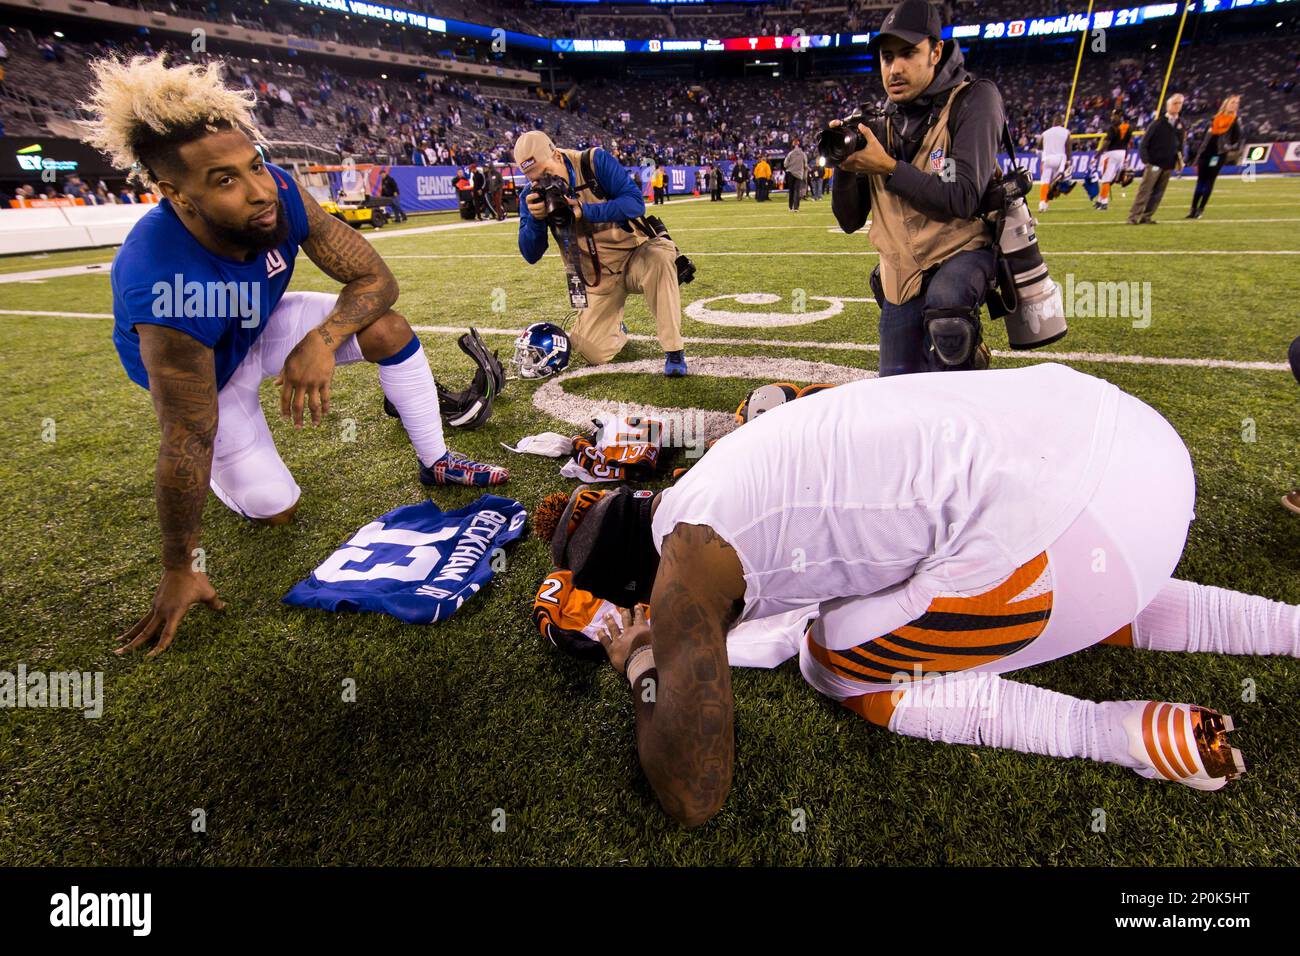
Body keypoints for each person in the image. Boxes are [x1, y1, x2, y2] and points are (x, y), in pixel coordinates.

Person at [543, 364, 1296, 826]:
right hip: (1131, 441)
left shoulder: (687, 561)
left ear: (644, 585)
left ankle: (1107, 732)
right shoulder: (725, 460)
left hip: (1078, 540)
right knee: (975, 542)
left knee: (830, 663)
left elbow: (694, 794)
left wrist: (644, 663)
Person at [83, 55, 508, 656]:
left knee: (387, 328)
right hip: (210, 371)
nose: (259, 190)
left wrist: (322, 340)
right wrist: (180, 563)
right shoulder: (162, 280)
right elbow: (186, 435)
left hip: (259, 324)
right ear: (175, 194)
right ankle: (232, 482)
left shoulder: (279, 192)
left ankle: (436, 459)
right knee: (274, 508)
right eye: (224, 181)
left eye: (254, 165)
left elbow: (376, 280)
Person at [831, 0, 1007, 376]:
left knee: (947, 314)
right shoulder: (878, 121)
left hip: (962, 250)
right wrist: (844, 167)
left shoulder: (974, 98)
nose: (895, 68)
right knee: (897, 385)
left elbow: (962, 197)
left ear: (936, 51)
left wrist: (888, 166)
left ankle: (965, 357)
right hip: (902, 268)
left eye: (908, 53)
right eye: (887, 57)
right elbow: (848, 221)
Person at [515, 131, 688, 376]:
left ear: (557, 155)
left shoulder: (593, 162)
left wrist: (585, 211)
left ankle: (674, 350)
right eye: (533, 179)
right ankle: (616, 328)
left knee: (660, 259)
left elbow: (635, 203)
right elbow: (530, 254)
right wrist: (535, 219)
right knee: (591, 351)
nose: (542, 183)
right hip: (595, 276)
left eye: (545, 173)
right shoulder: (531, 197)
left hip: (634, 255)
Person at [1128, 93, 1186, 225]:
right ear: (1168, 106)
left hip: (1169, 163)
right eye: (1175, 103)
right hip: (1154, 163)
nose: (1177, 106)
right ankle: (1133, 217)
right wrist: (1146, 161)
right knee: (1145, 190)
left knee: (1158, 193)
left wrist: (1180, 159)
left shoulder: (1180, 124)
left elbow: (1180, 144)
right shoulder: (1158, 123)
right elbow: (1144, 143)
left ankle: (1147, 216)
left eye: (1180, 103)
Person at [1187, 95, 1243, 220]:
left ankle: (1200, 209)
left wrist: (1227, 147)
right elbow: (1206, 138)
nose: (1235, 105)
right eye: (1232, 102)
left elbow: (1237, 139)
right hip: (1206, 153)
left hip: (1218, 154)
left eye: (1237, 103)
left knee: (1209, 181)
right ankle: (1193, 209)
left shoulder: (1235, 120)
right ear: (1226, 104)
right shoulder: (1215, 118)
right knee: (1200, 181)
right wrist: (1199, 154)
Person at [1093, 110, 1133, 211]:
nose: (1112, 117)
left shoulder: (1113, 128)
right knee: (1109, 178)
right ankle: (1100, 200)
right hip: (1122, 153)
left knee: (1106, 178)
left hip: (1111, 153)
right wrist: (1126, 157)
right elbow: (1128, 144)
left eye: (1114, 115)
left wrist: (1096, 156)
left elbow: (1106, 144)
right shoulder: (1129, 128)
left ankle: (1104, 202)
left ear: (1119, 116)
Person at [1036, 114, 1070, 213]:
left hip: (1047, 159)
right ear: (1061, 122)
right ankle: (1046, 202)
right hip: (1060, 159)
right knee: (1055, 184)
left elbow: (1038, 148)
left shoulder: (1045, 133)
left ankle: (1042, 203)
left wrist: (1042, 157)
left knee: (1045, 182)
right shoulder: (1066, 132)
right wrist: (1068, 161)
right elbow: (1068, 147)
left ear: (1053, 122)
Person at [784, 140, 807, 212]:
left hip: (791, 173)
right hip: (799, 174)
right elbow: (805, 165)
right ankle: (796, 208)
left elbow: (785, 164)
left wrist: (791, 166)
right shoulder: (803, 154)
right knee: (797, 191)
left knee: (791, 191)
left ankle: (790, 207)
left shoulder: (790, 153)